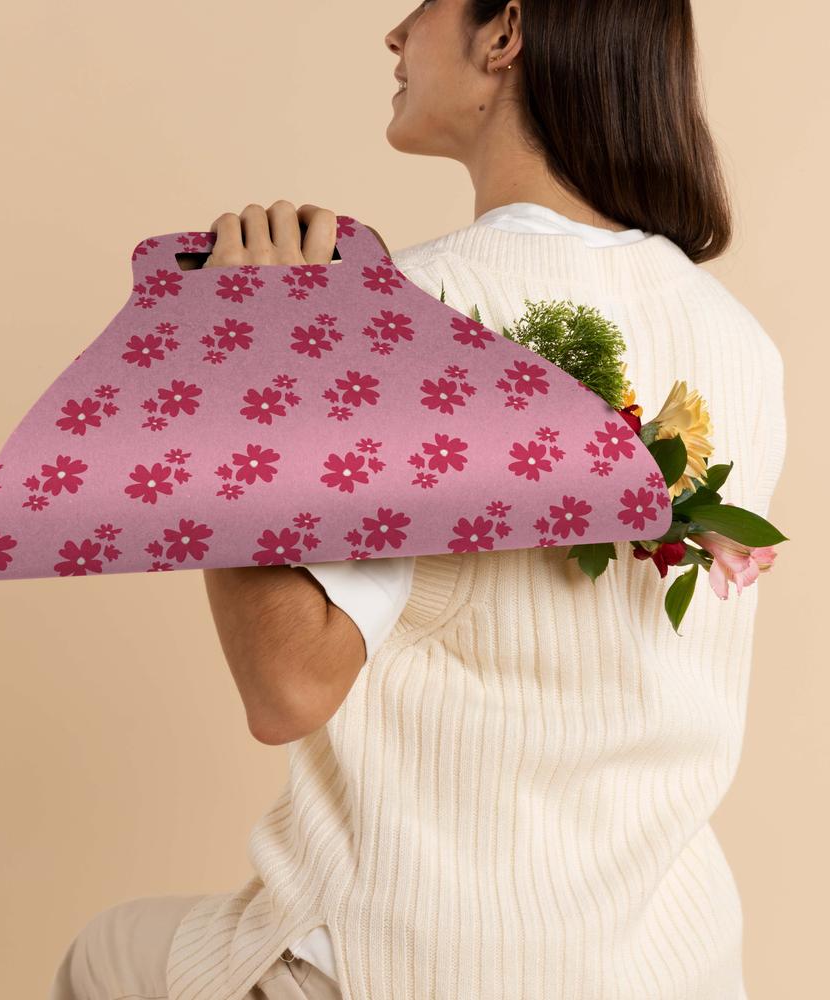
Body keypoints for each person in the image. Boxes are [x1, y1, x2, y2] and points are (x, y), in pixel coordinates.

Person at [49, 2, 787, 999]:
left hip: (408, 960)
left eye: (423, 7)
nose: (393, 36)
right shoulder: (738, 341)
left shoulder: (421, 316)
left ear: (504, 32)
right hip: (674, 965)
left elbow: (288, 686)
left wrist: (234, 354)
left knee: (103, 955)